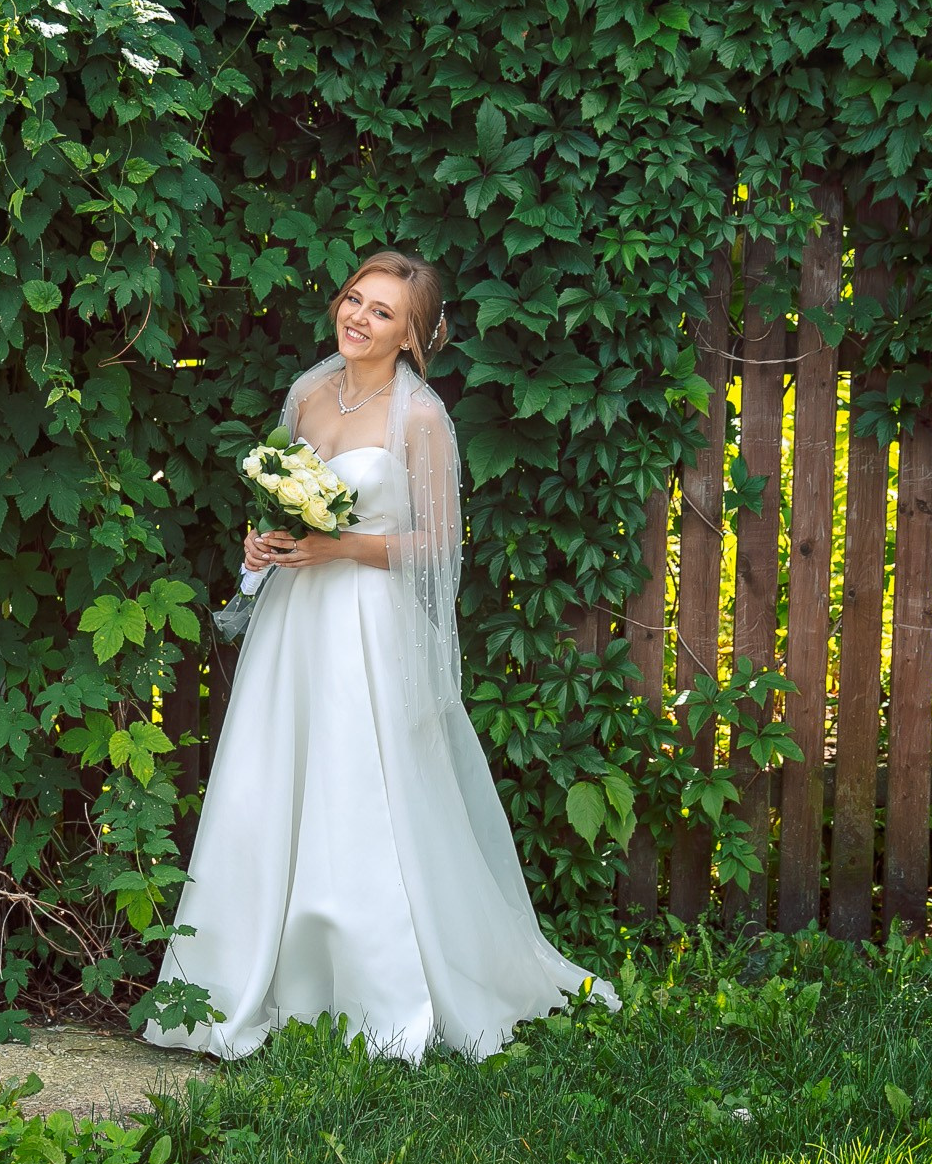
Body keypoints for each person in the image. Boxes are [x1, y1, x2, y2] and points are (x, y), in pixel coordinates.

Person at [145, 252, 617, 1062]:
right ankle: (244, 978)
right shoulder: (307, 393)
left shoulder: (421, 417)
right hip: (294, 619)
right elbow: (275, 491)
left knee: (358, 787)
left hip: (366, 625)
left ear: (411, 335)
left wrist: (339, 546)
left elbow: (439, 544)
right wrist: (263, 538)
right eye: (354, 300)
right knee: (272, 778)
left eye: (382, 312)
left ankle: (374, 988)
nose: (358, 319)